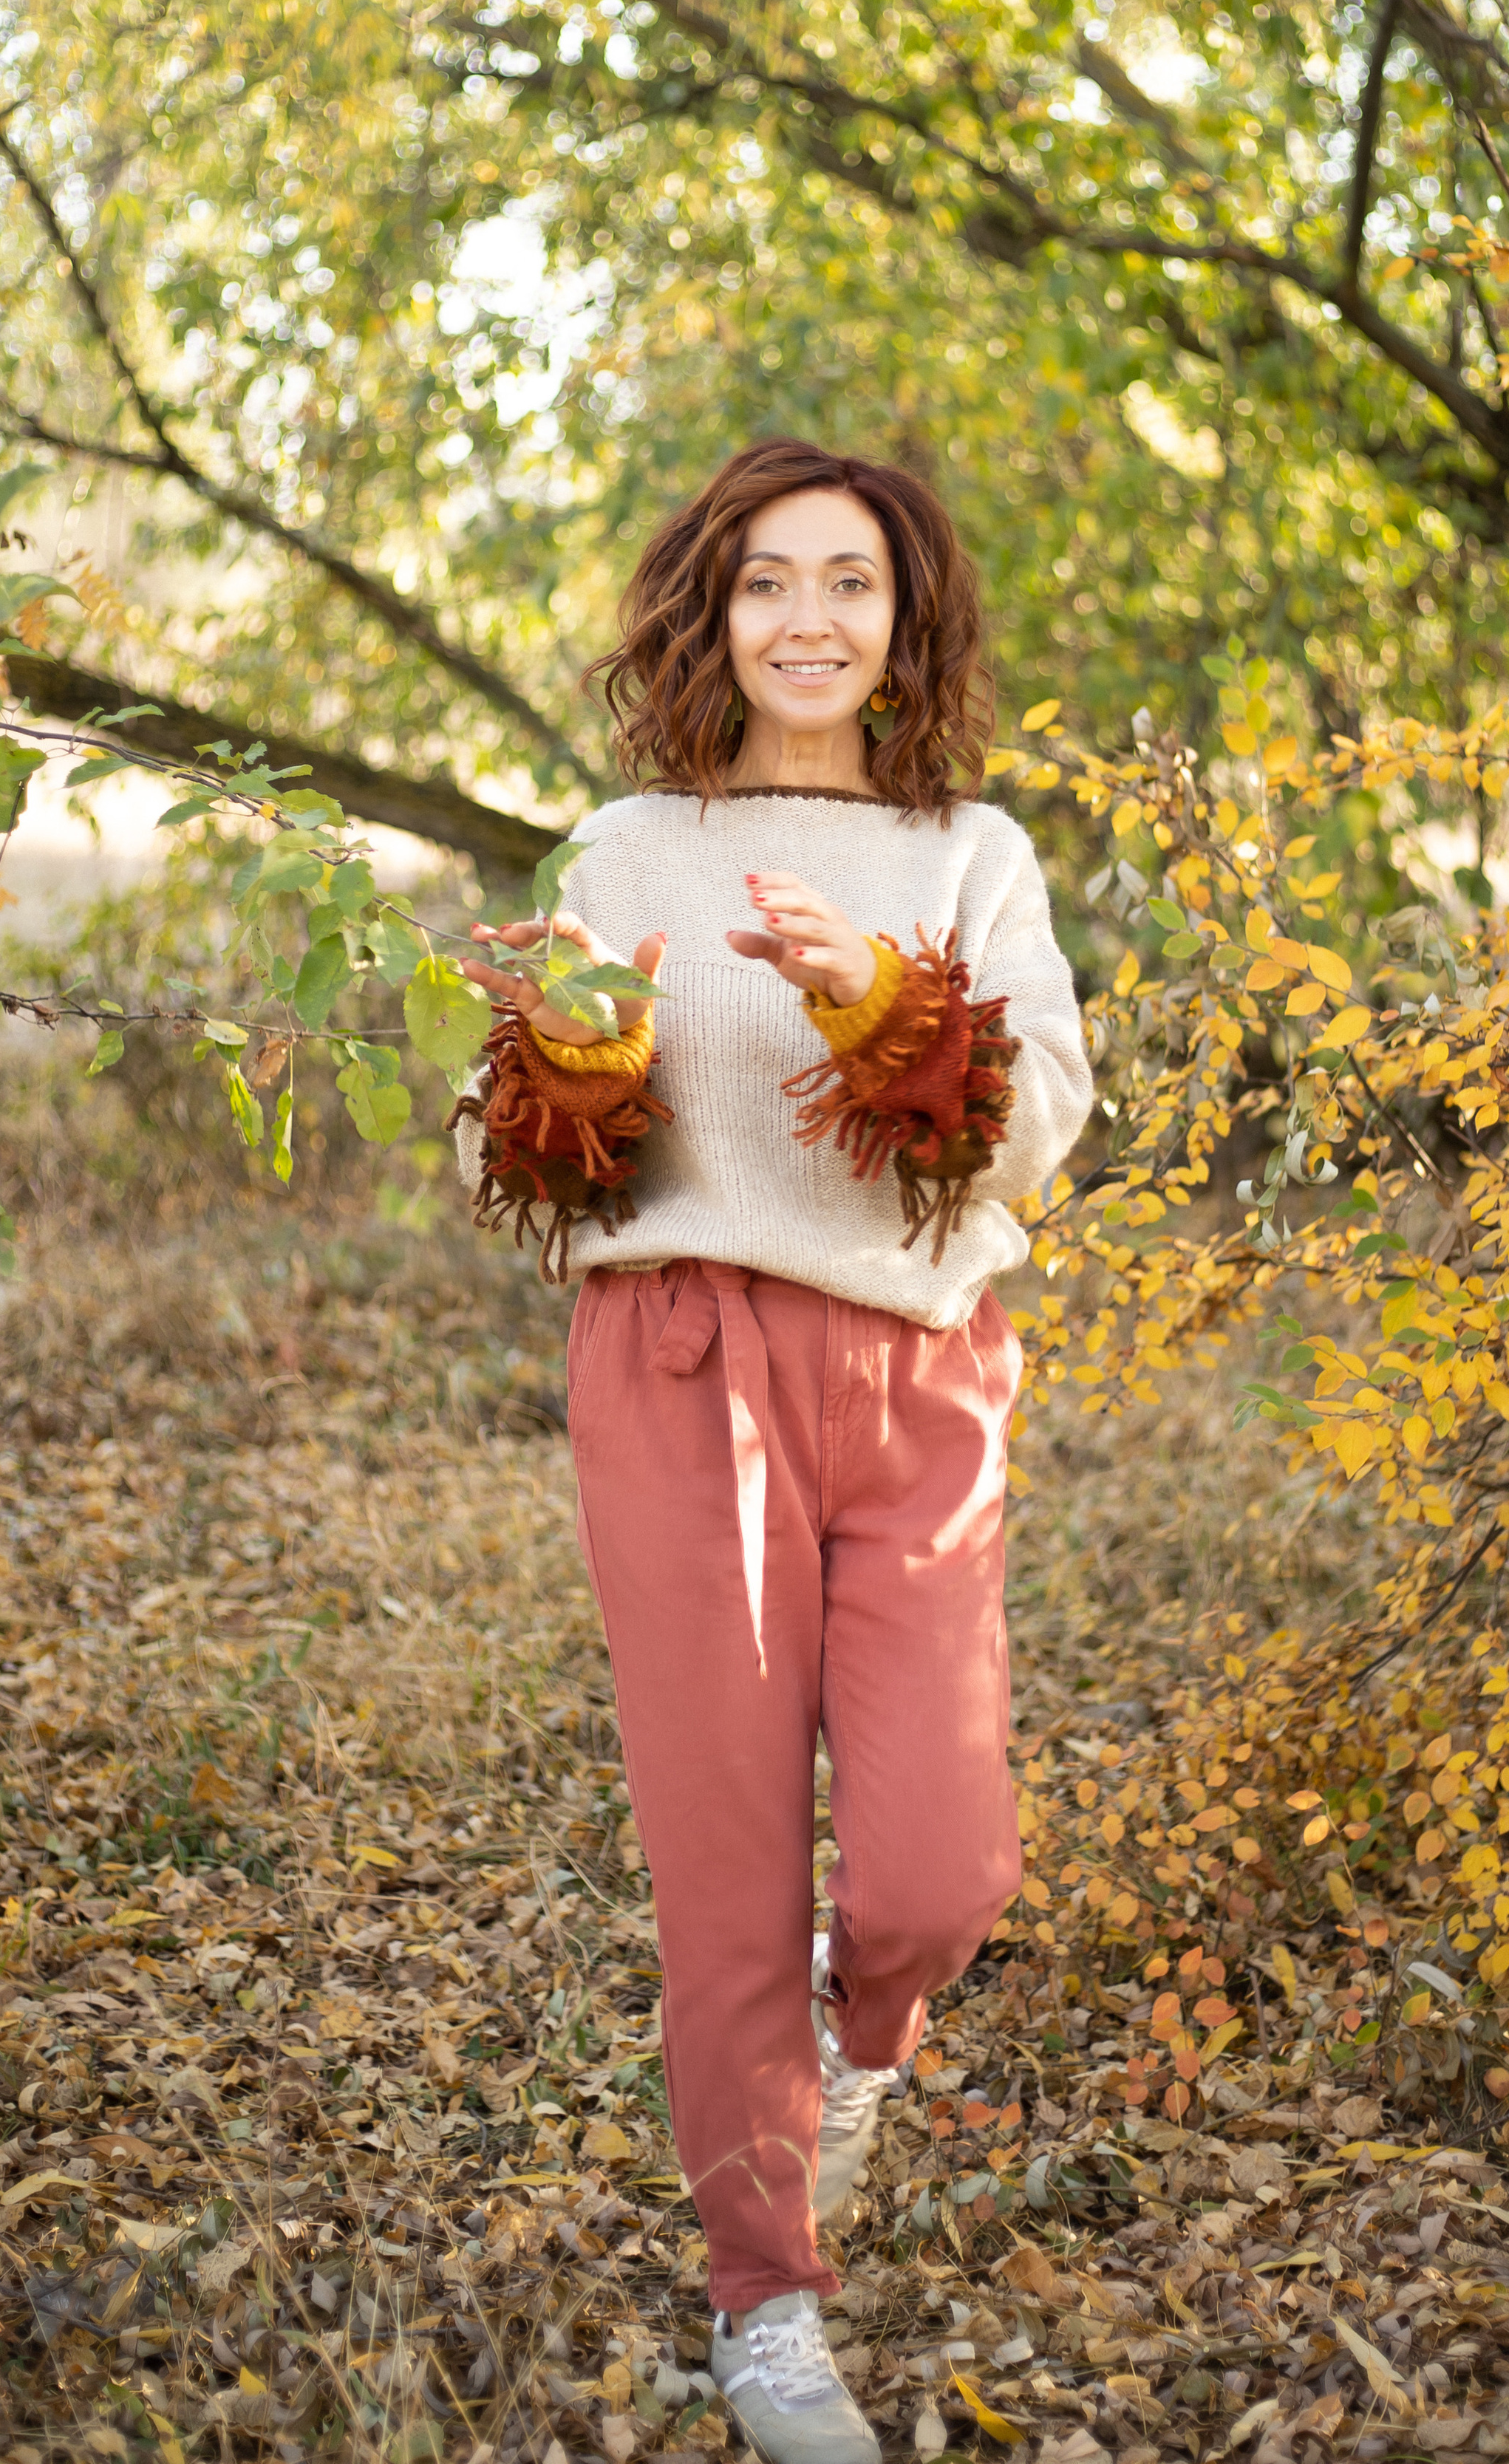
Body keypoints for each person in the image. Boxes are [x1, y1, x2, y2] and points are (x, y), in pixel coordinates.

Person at [452, 439, 1092, 2464]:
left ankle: (863, 2026)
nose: (808, 620)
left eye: (850, 584)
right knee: (725, 1862)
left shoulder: (971, 854)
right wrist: (570, 1060)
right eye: (766, 584)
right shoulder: (627, 849)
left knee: (939, 1872)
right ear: (709, 616)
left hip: (919, 1376)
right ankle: (767, 2310)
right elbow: (506, 1154)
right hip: (679, 1366)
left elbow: (1040, 1127)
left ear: (906, 626)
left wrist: (883, 998)